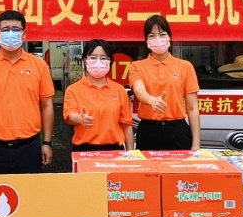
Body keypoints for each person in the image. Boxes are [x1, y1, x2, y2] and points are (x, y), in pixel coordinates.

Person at [0, 10, 54, 174]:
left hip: (29, 148)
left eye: (16, 29)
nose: (11, 33)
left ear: (24, 34)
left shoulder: (39, 65)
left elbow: (47, 105)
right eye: (5, 29)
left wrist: (47, 142)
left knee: (29, 190)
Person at [129, 14, 200, 151]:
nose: (158, 39)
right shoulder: (137, 66)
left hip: (178, 130)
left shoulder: (185, 66)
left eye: (162, 34)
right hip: (148, 131)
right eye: (152, 35)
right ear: (146, 40)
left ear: (169, 37)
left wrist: (196, 144)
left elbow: (192, 107)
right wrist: (151, 100)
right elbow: (138, 90)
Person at [63, 39, 134, 152]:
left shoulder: (119, 90)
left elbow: (127, 124)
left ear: (110, 61)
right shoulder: (73, 90)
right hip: (84, 150)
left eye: (103, 58)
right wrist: (80, 119)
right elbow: (70, 115)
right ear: (85, 61)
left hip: (114, 150)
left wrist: (131, 153)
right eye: (93, 57)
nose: (98, 62)